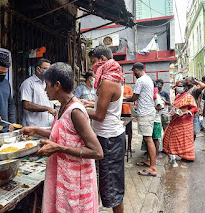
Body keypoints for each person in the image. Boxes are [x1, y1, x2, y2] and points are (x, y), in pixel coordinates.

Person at [19, 62, 103, 213]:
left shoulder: (75, 111)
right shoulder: (62, 107)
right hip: (63, 178)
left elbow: (97, 152)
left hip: (76, 182)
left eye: (47, 85)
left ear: (57, 85)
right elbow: (62, 134)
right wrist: (36, 130)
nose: (45, 89)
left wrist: (59, 148)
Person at [87, 46, 126, 213]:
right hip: (106, 136)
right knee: (107, 181)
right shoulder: (112, 77)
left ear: (102, 59)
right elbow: (103, 105)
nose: (92, 68)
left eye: (94, 63)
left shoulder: (109, 81)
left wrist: (75, 110)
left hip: (109, 139)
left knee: (112, 187)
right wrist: (85, 104)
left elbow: (99, 115)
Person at [125, 62, 157, 177]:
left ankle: (153, 167)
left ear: (137, 70)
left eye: (133, 71)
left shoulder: (140, 80)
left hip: (145, 113)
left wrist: (124, 99)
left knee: (148, 139)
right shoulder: (148, 78)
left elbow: (135, 97)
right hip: (148, 111)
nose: (133, 74)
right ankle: (149, 160)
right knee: (147, 138)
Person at [163, 81, 198, 160]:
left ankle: (187, 156)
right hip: (176, 119)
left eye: (179, 86)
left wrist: (185, 113)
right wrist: (170, 113)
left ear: (185, 88)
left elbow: (195, 109)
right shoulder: (177, 96)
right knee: (171, 136)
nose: (177, 88)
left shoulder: (189, 97)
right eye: (177, 86)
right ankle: (172, 151)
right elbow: (175, 107)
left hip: (185, 121)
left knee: (185, 139)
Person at [20, 58, 57, 127]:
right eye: (46, 69)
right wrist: (47, 108)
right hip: (33, 126)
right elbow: (26, 105)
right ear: (38, 69)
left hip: (48, 125)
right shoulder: (28, 83)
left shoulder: (48, 83)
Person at [121, 81, 133, 155]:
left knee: (129, 130)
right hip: (119, 111)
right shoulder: (117, 88)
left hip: (127, 111)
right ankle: (122, 147)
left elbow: (131, 97)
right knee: (120, 130)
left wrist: (126, 97)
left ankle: (129, 147)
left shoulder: (128, 88)